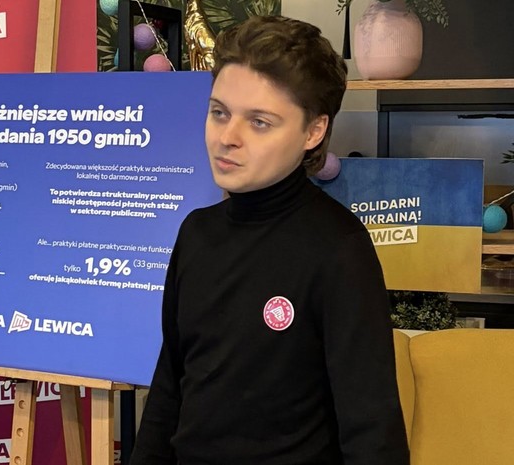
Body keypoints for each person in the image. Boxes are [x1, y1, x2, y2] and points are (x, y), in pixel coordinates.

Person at [130, 15, 410, 465]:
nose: (227, 138)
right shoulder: (196, 233)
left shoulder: (339, 249)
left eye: (259, 122)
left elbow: (372, 431)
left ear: (313, 131)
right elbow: (170, 388)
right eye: (219, 112)